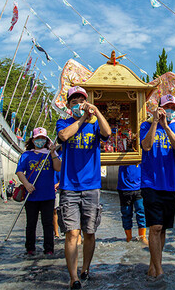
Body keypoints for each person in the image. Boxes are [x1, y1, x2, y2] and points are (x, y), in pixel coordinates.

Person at [56, 86, 112, 290]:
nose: (78, 104)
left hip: (91, 186)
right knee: (72, 233)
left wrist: (96, 113)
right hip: (69, 186)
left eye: (81, 100)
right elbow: (63, 136)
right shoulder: (64, 122)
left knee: (89, 232)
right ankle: (73, 278)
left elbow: (107, 133)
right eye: (74, 101)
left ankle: (86, 268)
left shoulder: (95, 123)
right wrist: (81, 120)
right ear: (69, 105)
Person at [140, 94, 175, 281]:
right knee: (155, 226)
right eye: (166, 107)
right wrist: (155, 124)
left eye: (173, 108)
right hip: (151, 183)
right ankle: (159, 272)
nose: (170, 110)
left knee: (163, 228)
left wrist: (166, 126)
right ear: (159, 108)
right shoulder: (145, 126)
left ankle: (153, 265)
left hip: (171, 184)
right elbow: (146, 145)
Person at [15, 127, 61, 256]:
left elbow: (58, 168)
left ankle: (49, 248)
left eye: (43, 139)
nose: (40, 141)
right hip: (32, 195)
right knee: (31, 223)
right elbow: (19, 171)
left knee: (48, 223)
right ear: (33, 140)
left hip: (48, 195)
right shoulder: (27, 155)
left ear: (46, 140)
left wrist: (52, 153)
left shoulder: (51, 154)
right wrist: (27, 184)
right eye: (37, 139)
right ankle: (30, 248)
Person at [117, 164, 148, 245]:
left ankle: (142, 237)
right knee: (126, 213)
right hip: (124, 187)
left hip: (139, 186)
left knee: (141, 211)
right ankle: (129, 237)